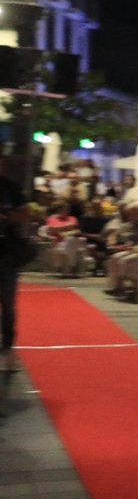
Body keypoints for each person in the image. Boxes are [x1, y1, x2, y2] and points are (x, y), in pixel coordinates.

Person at [0, 156, 28, 371]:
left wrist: (10, 218)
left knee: (8, 303)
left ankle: (8, 346)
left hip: (7, 252)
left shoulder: (11, 187)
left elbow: (25, 212)